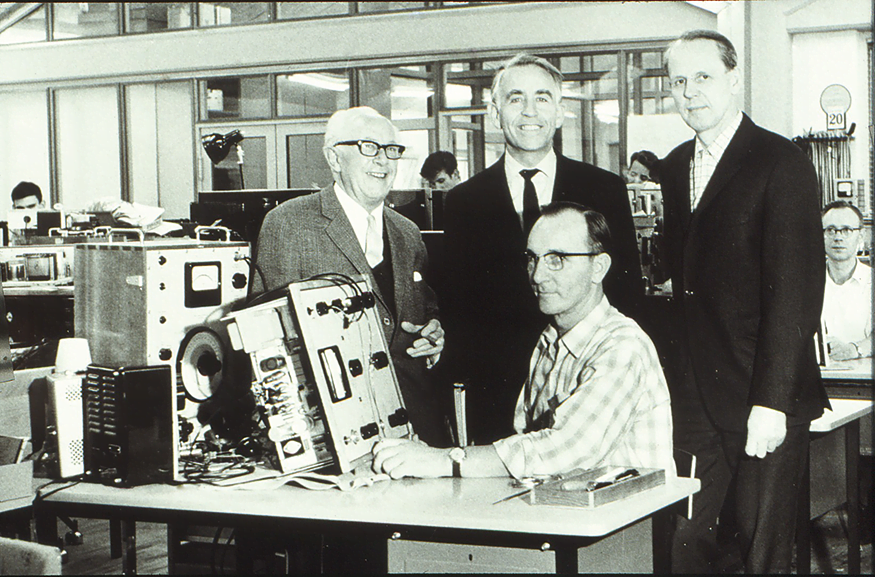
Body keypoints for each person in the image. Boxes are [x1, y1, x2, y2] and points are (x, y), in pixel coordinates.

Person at [660, 30, 828, 573]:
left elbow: (797, 292)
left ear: (734, 79)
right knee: (687, 547)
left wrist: (772, 402)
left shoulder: (782, 161)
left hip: (762, 398)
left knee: (762, 556)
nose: (691, 92)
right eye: (678, 81)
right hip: (693, 401)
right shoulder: (674, 165)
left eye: (703, 77)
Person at [372, 203, 673, 480]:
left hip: (628, 531)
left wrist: (442, 461)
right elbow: (525, 439)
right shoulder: (551, 339)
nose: (538, 276)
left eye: (557, 260)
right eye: (532, 259)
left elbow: (564, 450)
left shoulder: (622, 347)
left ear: (599, 267)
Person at [439, 53, 643, 445]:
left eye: (542, 98)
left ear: (561, 112)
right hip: (495, 397)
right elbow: (458, 308)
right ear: (495, 112)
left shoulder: (603, 189)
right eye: (515, 99)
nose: (529, 112)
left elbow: (626, 293)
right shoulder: (464, 201)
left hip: (585, 388)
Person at [251, 106, 448, 446]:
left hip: (417, 426)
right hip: (333, 431)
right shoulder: (289, 224)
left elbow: (425, 310)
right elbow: (265, 336)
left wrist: (434, 337)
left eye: (391, 150)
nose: (383, 161)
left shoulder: (408, 232)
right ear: (334, 158)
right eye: (368, 147)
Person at [821, 200, 871, 361]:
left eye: (847, 230)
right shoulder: (805, 283)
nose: (838, 237)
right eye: (831, 230)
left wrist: (855, 349)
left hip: (861, 378)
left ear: (861, 235)